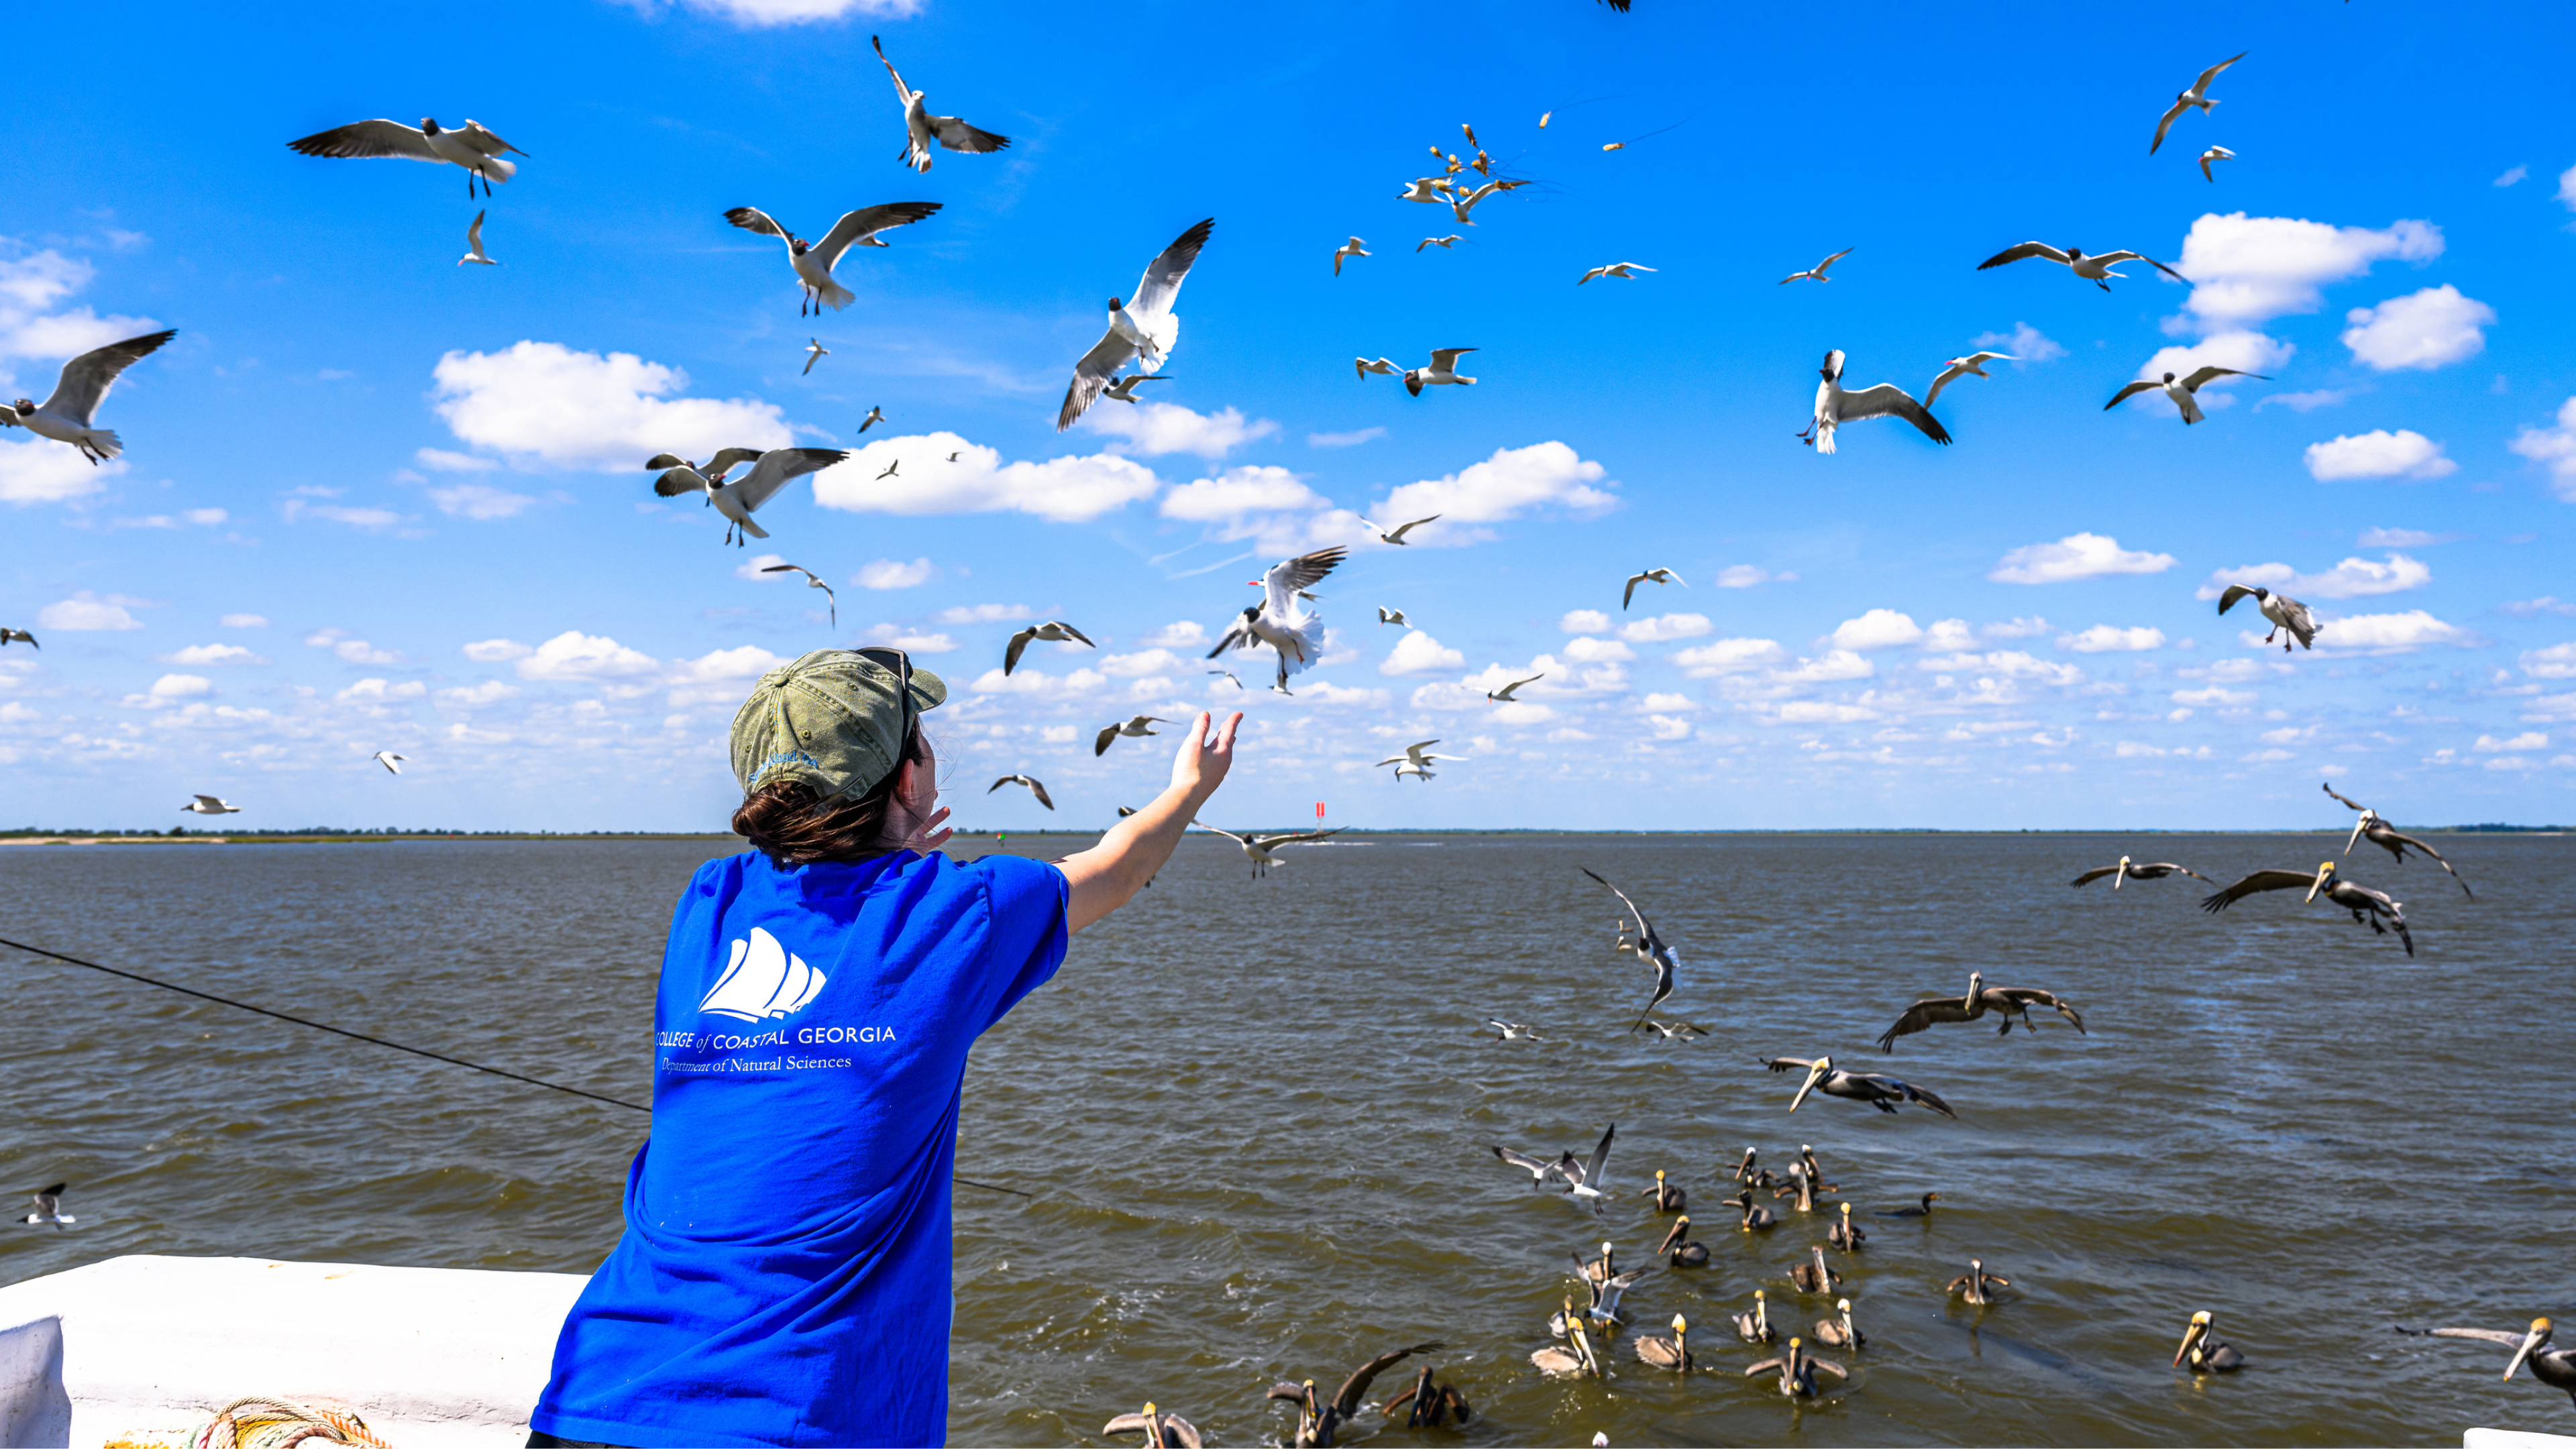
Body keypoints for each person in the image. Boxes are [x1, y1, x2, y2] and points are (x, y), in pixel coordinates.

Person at [529, 647, 1242, 1448]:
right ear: (907, 780)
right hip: (794, 1417)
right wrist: (1191, 788)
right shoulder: (961, 912)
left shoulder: (708, 900)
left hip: (596, 1394)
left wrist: (891, 861)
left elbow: (823, 914)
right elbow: (1118, 867)